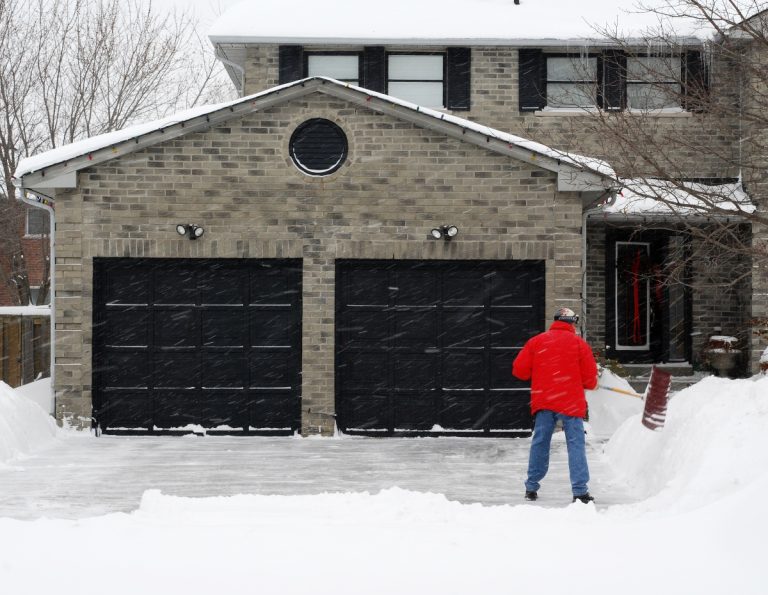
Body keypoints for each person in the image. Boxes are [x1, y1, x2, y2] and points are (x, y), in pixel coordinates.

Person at [512, 307, 598, 504]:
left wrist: (542, 369)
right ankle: (579, 491)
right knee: (576, 445)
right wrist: (586, 381)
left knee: (540, 442)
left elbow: (520, 371)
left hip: (545, 399)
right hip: (571, 402)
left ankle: (531, 487)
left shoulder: (537, 341)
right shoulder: (579, 344)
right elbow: (590, 380)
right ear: (571, 323)